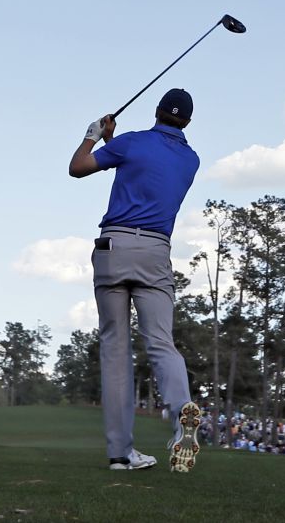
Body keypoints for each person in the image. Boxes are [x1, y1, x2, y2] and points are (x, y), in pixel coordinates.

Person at [68, 88, 202, 473]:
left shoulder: (130, 143)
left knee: (115, 349)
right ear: (187, 123)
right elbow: (146, 167)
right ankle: (182, 414)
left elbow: (79, 167)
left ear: (157, 112)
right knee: (160, 342)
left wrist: (93, 134)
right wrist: (115, 142)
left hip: (114, 247)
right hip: (155, 252)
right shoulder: (190, 160)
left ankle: (120, 453)